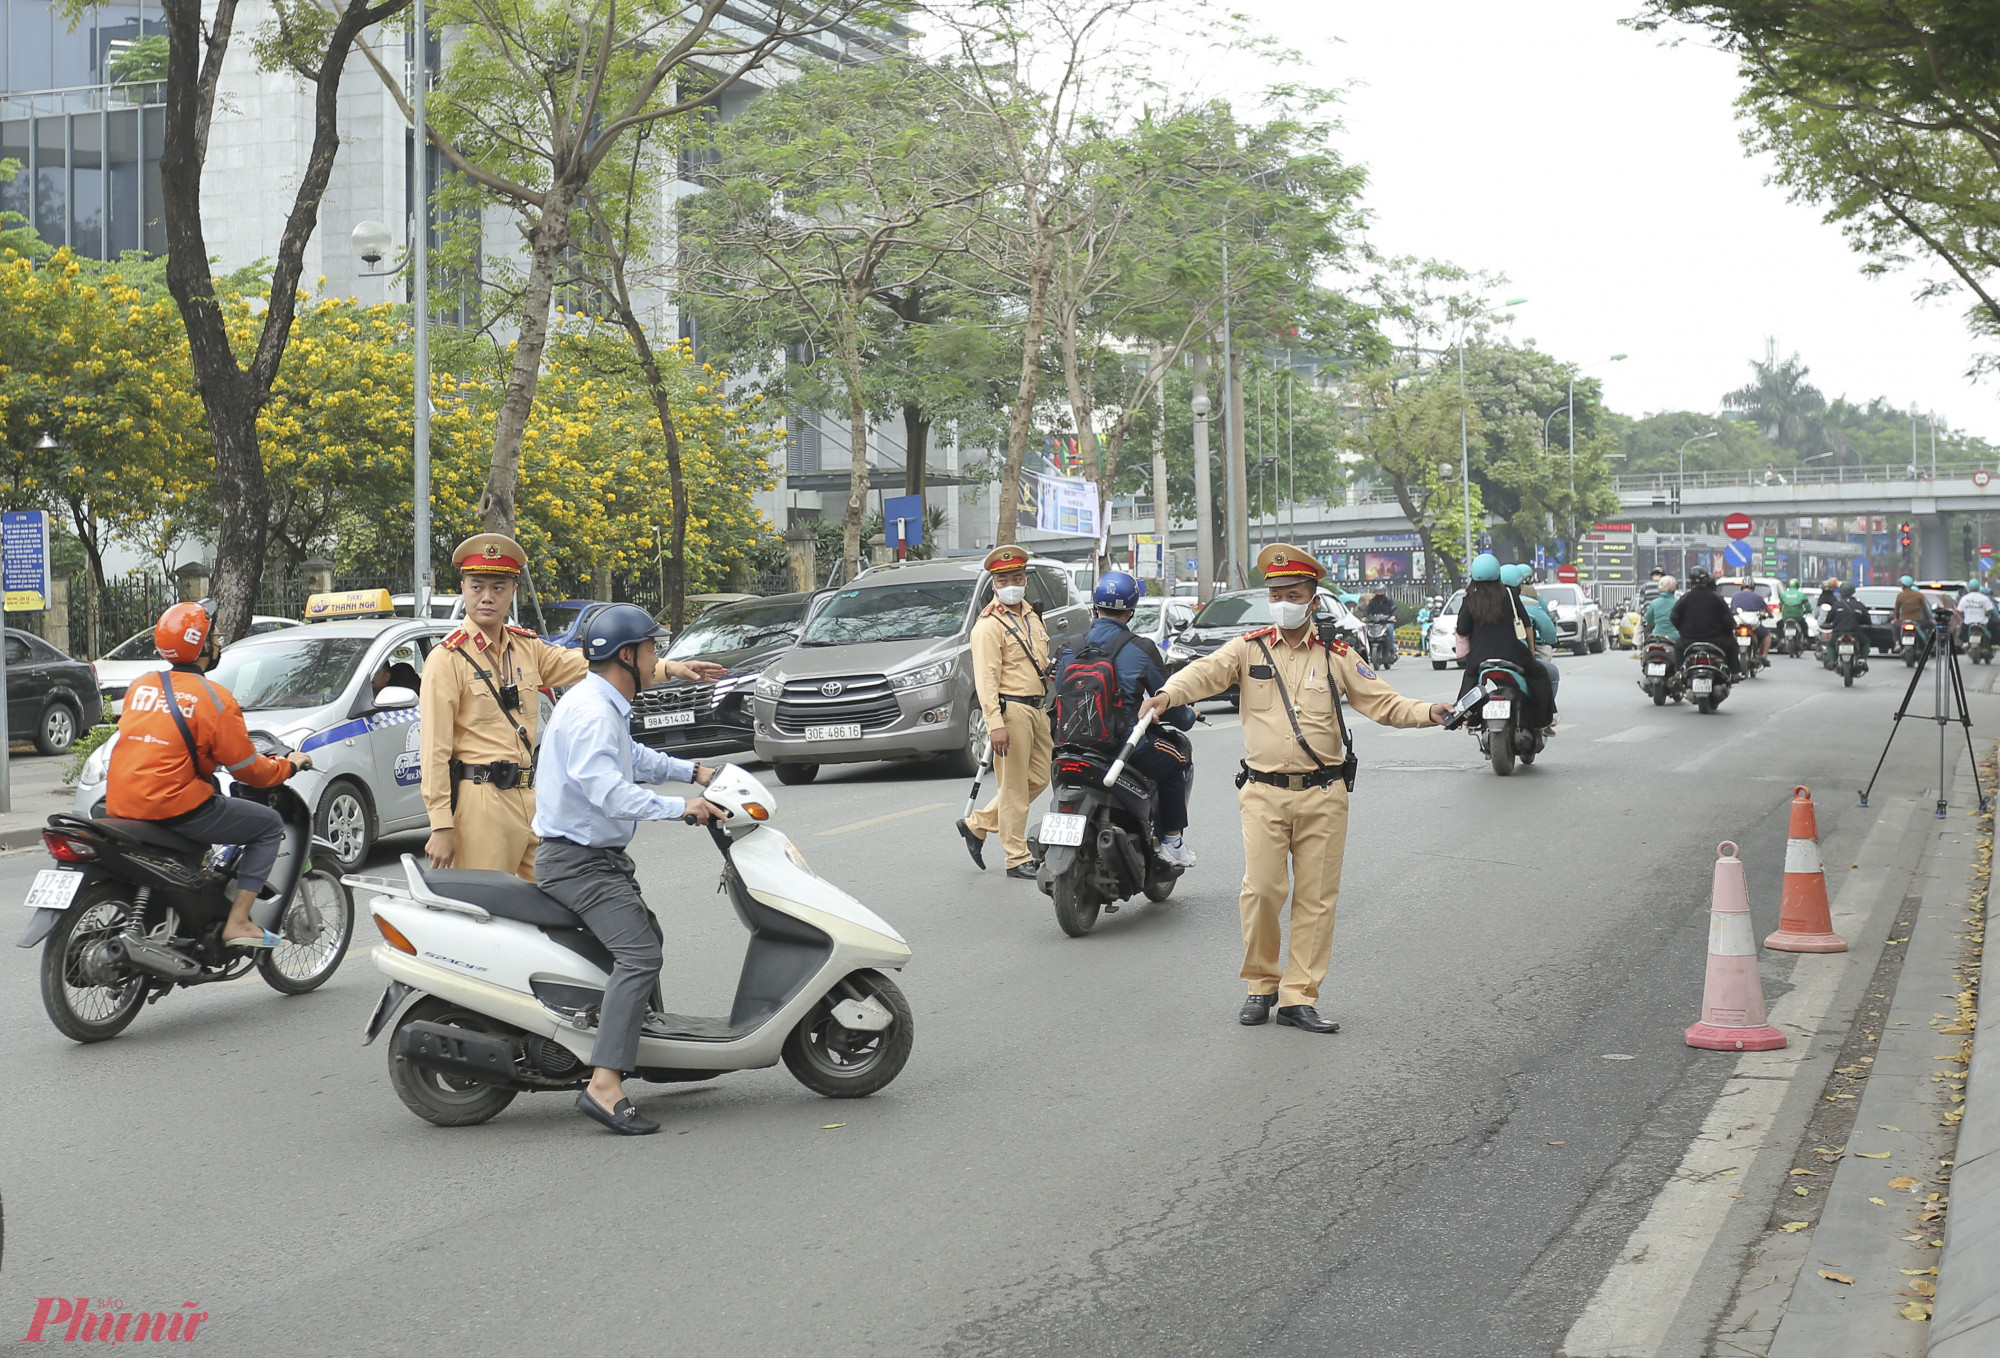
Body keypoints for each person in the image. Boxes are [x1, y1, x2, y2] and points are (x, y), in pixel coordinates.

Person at [1140, 544, 1452, 1036]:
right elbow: (1205, 672)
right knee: (1262, 891)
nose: (1282, 602)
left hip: (1324, 794)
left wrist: (1428, 712)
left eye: (1293, 594)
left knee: (1315, 899)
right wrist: (1168, 694)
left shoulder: (1337, 655)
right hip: (1263, 793)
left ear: (1312, 599)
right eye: (1276, 594)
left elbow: (1383, 702)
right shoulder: (1249, 648)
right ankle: (1261, 984)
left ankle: (1298, 995)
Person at [531, 604, 731, 1136]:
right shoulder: (595, 710)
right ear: (628, 656)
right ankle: (604, 1084)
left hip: (591, 857)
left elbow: (633, 760)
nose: (656, 659)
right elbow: (607, 790)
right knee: (640, 953)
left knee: (648, 935)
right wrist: (679, 806)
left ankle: (647, 1048)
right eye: (651, 650)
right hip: (578, 863)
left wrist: (697, 772)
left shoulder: (602, 702)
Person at [420, 534, 726, 879]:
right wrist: (441, 823)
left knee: (556, 899)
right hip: (481, 803)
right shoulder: (447, 659)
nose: (487, 597)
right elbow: (434, 749)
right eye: (477, 587)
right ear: (463, 588)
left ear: (513, 591)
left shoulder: (526, 647)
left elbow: (597, 664)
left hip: (531, 797)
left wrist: (667, 668)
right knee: (487, 911)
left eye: (498, 587)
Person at [107, 600, 313, 948]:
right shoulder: (216, 700)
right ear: (201, 646)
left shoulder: (140, 687)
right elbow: (251, 772)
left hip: (121, 803)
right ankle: (238, 922)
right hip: (173, 805)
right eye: (213, 636)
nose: (217, 641)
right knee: (267, 826)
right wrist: (289, 765)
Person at [1051, 571, 1198, 865]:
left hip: (1071, 747)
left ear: (1094, 606)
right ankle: (1172, 841)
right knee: (1176, 762)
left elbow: (1061, 693)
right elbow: (1168, 702)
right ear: (1130, 611)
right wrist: (1189, 715)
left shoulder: (1069, 647)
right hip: (1122, 747)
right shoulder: (1141, 648)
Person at [957, 545, 1053, 879]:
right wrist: (994, 724)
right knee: (1012, 786)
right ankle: (1016, 857)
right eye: (1003, 579)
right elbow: (986, 680)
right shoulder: (987, 626)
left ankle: (979, 823)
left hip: (1038, 708)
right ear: (993, 585)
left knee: (1040, 777)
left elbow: (1035, 660)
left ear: (1025, 579)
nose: (1012, 583)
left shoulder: (1032, 615)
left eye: (1017, 576)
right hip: (1010, 711)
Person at [1459, 557, 1555, 730]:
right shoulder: (1509, 594)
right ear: (1497, 573)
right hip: (1513, 653)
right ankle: (1542, 721)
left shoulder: (1470, 599)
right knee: (1540, 675)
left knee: (1470, 679)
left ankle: (1465, 717)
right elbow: (1526, 625)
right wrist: (1531, 650)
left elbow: (1462, 629)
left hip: (1480, 656)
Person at [1500, 563, 1560, 703]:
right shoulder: (1529, 603)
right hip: (1520, 656)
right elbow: (1546, 630)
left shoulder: (1485, 604)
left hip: (1488, 657)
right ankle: (1544, 713)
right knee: (1551, 674)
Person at [1672, 569, 1741, 675]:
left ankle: (1678, 671)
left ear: (1691, 582)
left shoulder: (1685, 598)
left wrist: (1683, 630)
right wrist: (1728, 633)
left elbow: (1674, 617)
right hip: (1716, 641)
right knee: (1732, 645)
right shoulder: (1716, 598)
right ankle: (1735, 673)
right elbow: (1728, 620)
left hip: (1688, 641)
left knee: (1677, 646)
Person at [1822, 583, 1873, 664]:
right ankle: (1862, 658)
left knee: (1831, 645)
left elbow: (1828, 619)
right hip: (1855, 633)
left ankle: (1831, 660)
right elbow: (1867, 620)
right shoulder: (1859, 605)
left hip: (1838, 633)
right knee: (1865, 642)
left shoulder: (1837, 605)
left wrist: (1826, 623)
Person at [1729, 580, 1772, 661]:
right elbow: (1767, 610)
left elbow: (1732, 609)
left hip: (1738, 623)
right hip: (1752, 624)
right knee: (1767, 635)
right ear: (1753, 587)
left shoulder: (1735, 596)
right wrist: (1770, 615)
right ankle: (1764, 656)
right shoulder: (1758, 597)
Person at [1956, 584, 1994, 650]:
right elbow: (1990, 609)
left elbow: (1959, 611)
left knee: (1962, 630)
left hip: (1968, 622)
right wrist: (1986, 614)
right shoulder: (1984, 598)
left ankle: (1965, 642)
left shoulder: (1964, 598)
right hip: (1983, 622)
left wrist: (1964, 616)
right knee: (1995, 627)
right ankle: (1994, 643)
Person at [1777, 577, 1810, 651]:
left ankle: (1782, 639)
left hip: (1786, 618)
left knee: (1779, 625)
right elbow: (1807, 607)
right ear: (1797, 585)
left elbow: (1780, 606)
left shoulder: (1784, 595)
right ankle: (1805, 639)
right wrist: (1808, 611)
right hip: (1798, 618)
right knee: (1805, 626)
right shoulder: (1802, 595)